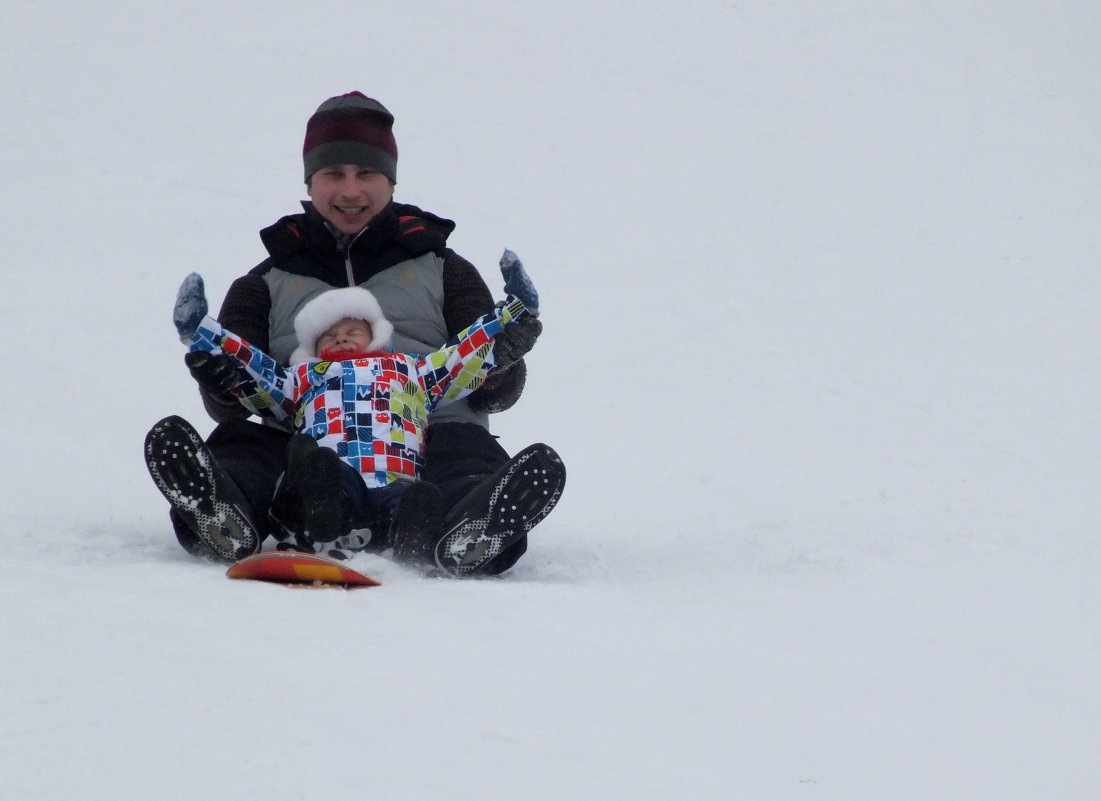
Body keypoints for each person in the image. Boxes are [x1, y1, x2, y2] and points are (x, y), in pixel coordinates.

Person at [144, 90, 565, 576]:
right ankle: (225, 513)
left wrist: (506, 357)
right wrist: (216, 377)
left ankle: (469, 531)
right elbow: (242, 395)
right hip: (309, 448)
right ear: (309, 180)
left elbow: (493, 388)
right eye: (333, 174)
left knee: (468, 454)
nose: (350, 191)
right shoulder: (264, 282)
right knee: (244, 443)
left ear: (390, 180)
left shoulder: (445, 268)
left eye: (366, 174)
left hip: (429, 433)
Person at [160, 253, 549, 570]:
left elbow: (462, 357)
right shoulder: (303, 377)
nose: (341, 337)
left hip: (396, 477)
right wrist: (201, 335)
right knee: (318, 475)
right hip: (334, 475)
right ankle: (235, 513)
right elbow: (255, 371)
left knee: (420, 498)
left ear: (377, 335)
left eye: (352, 331)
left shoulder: (411, 371)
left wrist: (513, 316)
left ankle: (446, 537)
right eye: (329, 334)